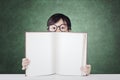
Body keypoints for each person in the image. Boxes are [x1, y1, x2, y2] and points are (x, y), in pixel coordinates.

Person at [22, 13, 91, 76]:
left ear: (69, 30)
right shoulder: (39, 47)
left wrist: (86, 71)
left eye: (62, 28)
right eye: (54, 28)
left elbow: (82, 69)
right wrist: (28, 66)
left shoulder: (77, 47)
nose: (57, 31)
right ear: (48, 30)